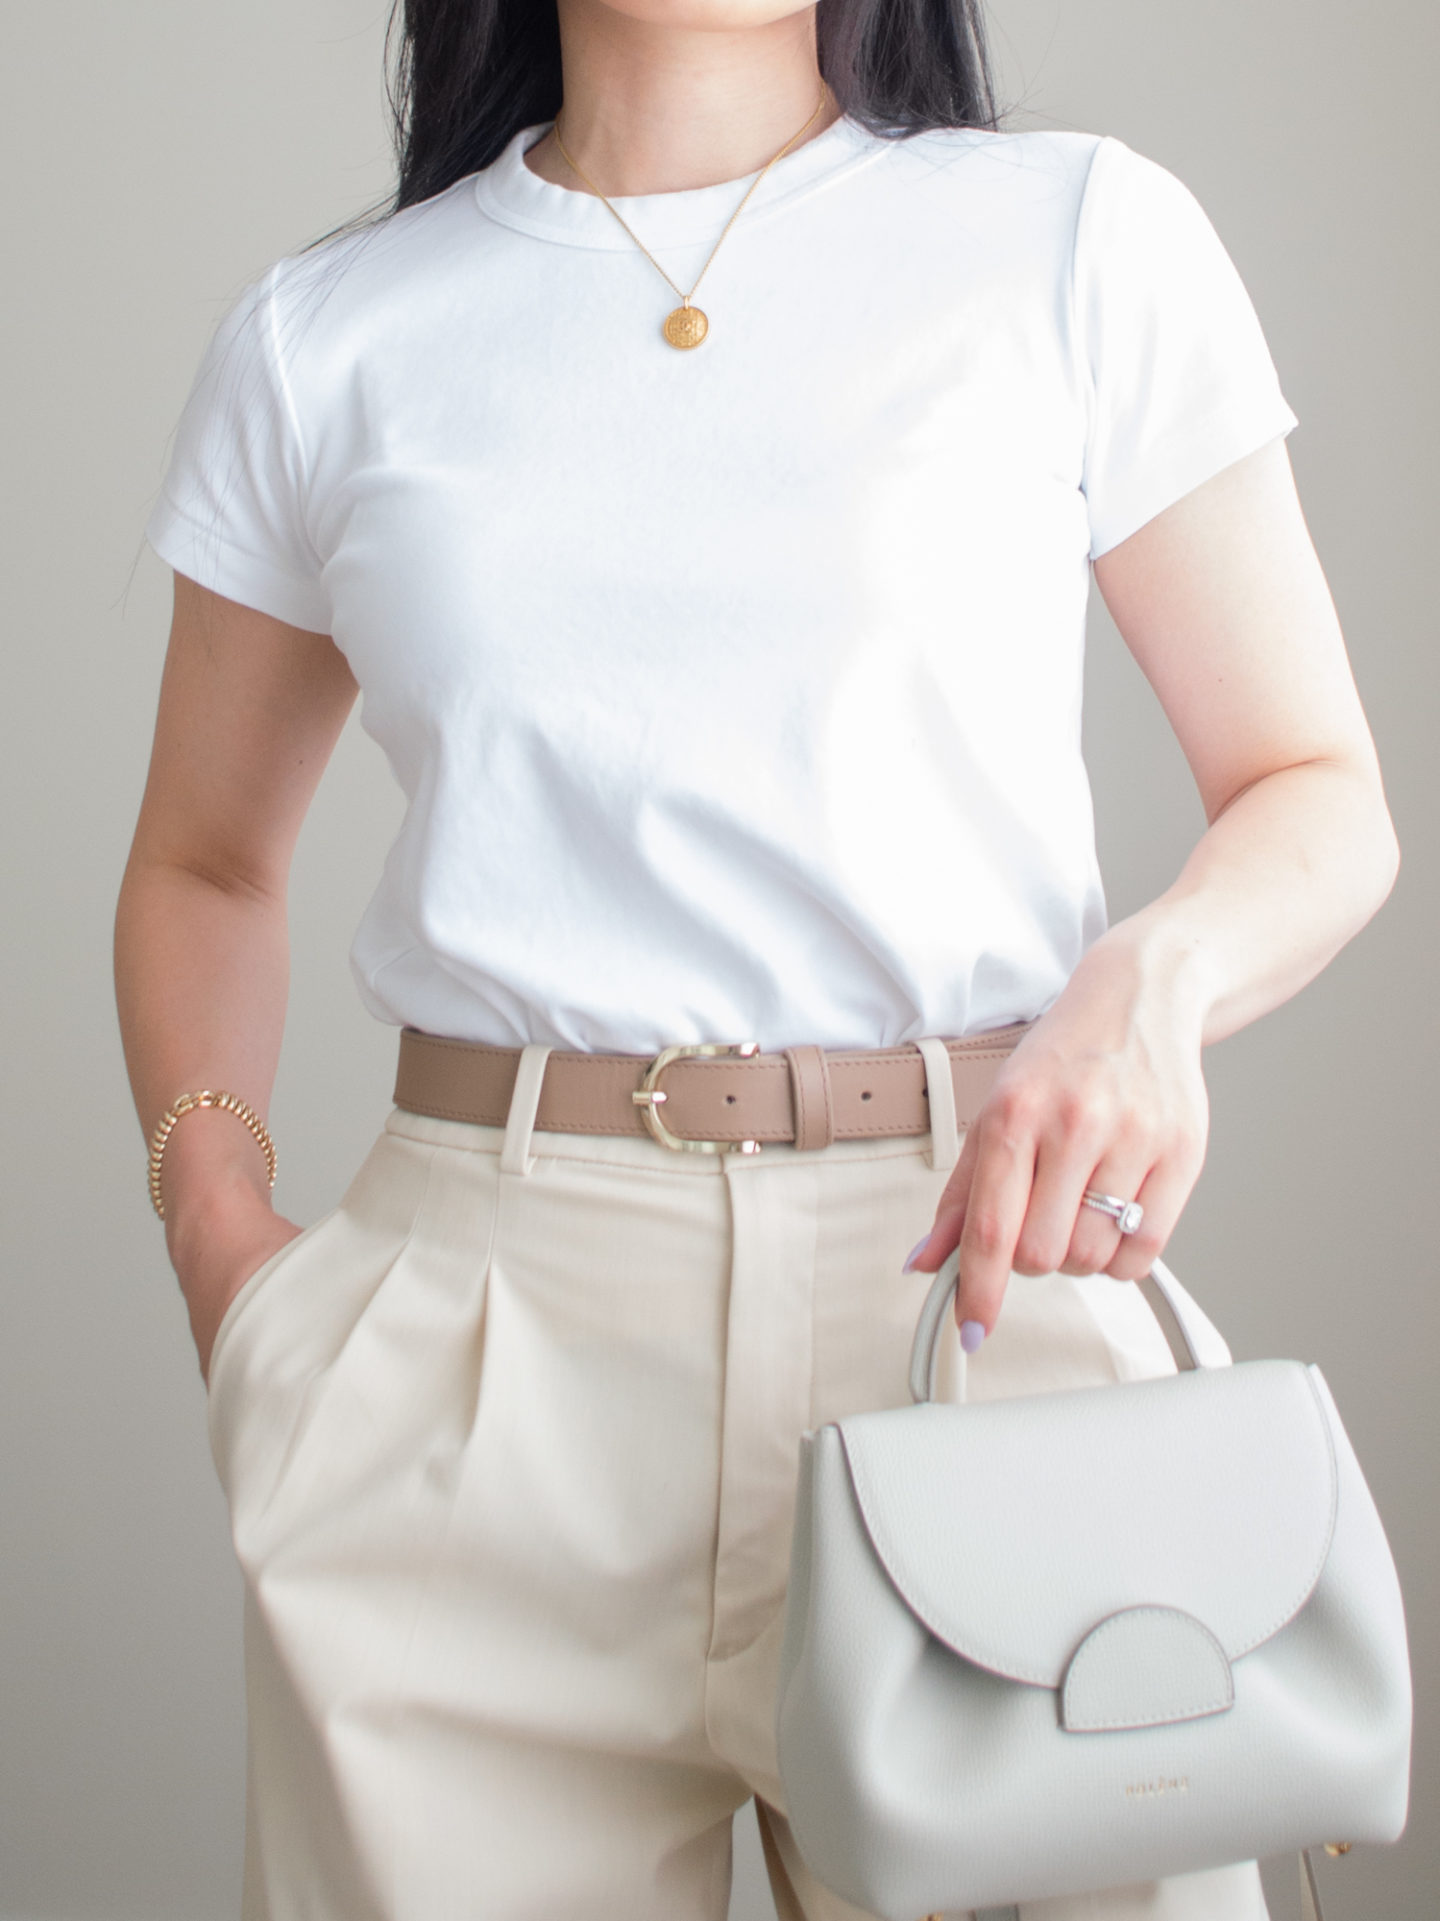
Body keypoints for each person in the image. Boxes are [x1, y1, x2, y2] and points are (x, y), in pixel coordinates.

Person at [113, 2, 1399, 1917]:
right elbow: (205, 864)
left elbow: (1317, 790)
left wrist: (1159, 978)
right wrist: (229, 1249)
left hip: (979, 1304)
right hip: (479, 1368)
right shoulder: (332, 339)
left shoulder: (1072, 238)